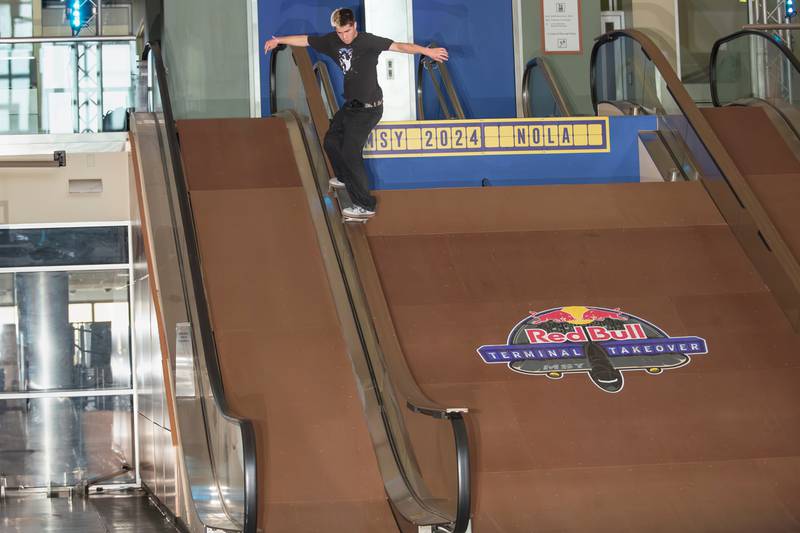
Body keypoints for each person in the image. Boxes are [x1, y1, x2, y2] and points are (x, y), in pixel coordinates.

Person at [264, 8, 448, 219]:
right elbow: (305, 40)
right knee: (331, 141)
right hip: (351, 106)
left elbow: (399, 46)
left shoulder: (368, 42)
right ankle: (344, 177)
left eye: (348, 31)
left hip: (370, 109)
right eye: (340, 32)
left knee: (351, 153)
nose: (345, 37)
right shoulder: (331, 41)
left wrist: (427, 51)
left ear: (355, 26)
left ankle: (365, 205)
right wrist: (278, 40)